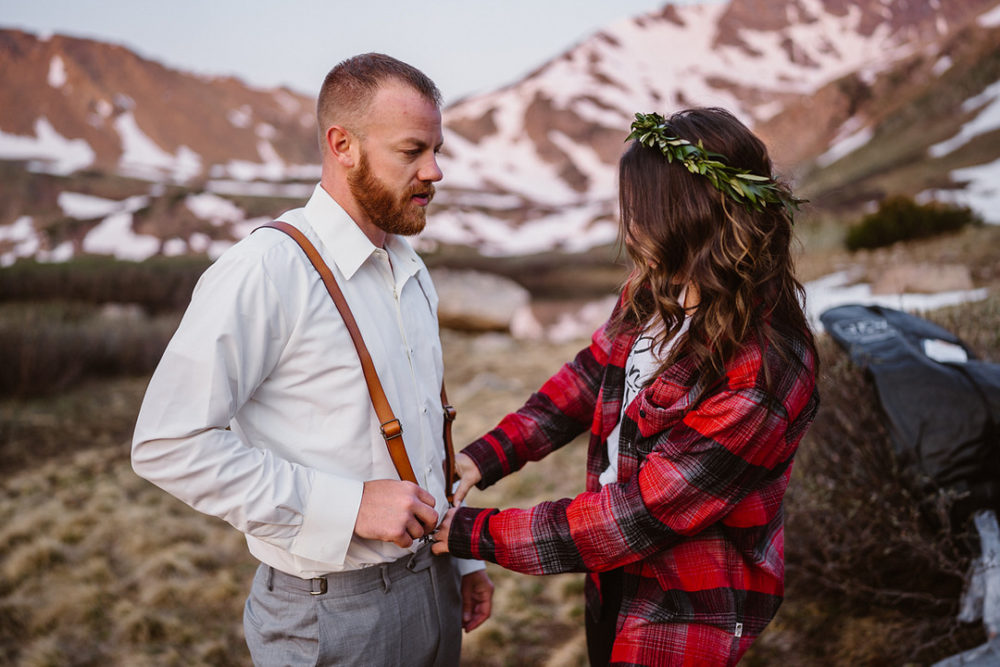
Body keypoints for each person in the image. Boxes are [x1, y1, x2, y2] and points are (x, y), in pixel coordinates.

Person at [132, 53, 492, 666]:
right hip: (330, 614)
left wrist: (462, 561)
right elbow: (168, 443)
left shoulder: (409, 265)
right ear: (342, 144)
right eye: (412, 151)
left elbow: (426, 427)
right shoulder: (266, 271)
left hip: (432, 587)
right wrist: (349, 507)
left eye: (437, 148)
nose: (435, 170)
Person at [432, 108, 819, 666]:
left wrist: (476, 533)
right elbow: (590, 377)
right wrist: (484, 458)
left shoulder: (764, 370)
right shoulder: (654, 291)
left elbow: (637, 516)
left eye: (640, 210)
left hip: (686, 610)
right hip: (609, 577)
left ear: (689, 213)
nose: (630, 227)